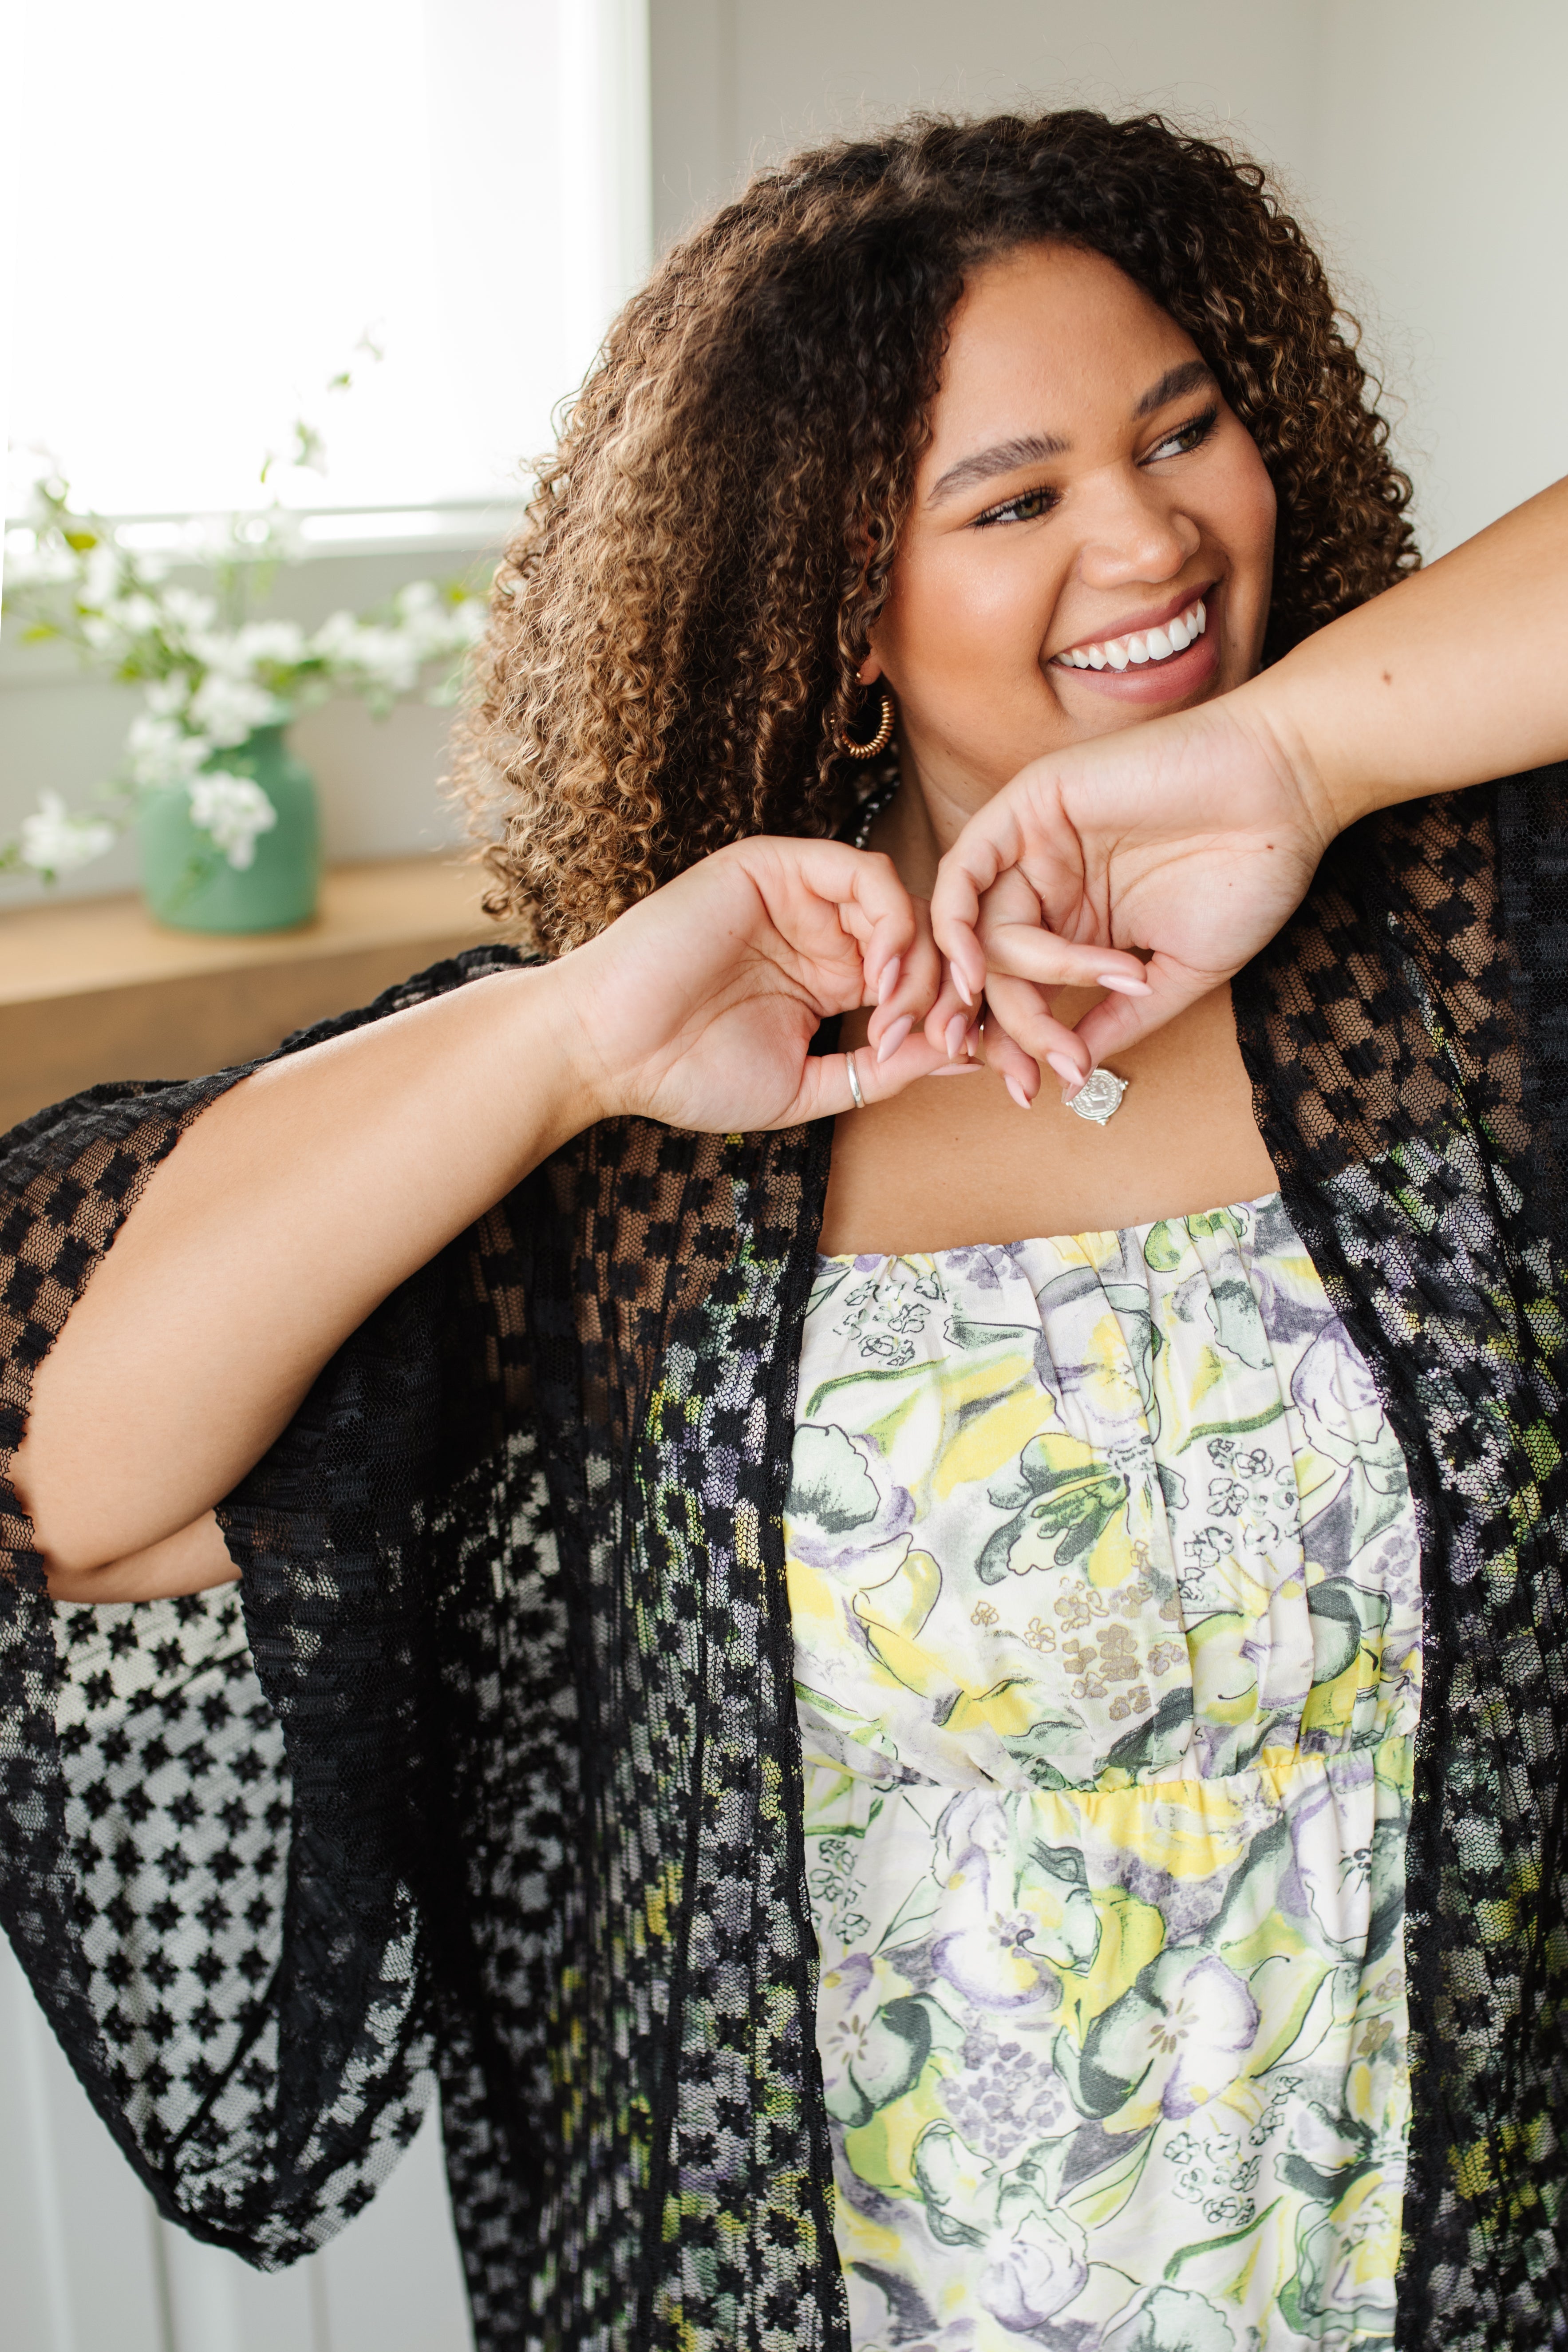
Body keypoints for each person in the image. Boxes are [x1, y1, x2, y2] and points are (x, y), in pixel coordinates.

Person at [2, 107, 1564, 2352]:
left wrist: (1294, 762)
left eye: (1182, 429)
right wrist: (552, 1041)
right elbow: (67, 1479)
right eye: (1010, 499)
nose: (1145, 537)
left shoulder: (1476, 954)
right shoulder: (649, 1129)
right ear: (837, 605)